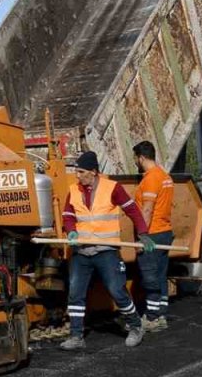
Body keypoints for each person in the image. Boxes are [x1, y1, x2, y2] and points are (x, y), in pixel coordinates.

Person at [59, 151, 155, 351]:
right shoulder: (73, 190)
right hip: (81, 251)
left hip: (106, 251)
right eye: (76, 171)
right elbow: (68, 215)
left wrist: (143, 233)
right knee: (75, 293)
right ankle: (76, 336)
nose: (77, 175)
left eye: (81, 171)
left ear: (93, 172)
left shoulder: (112, 188)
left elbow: (132, 210)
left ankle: (136, 326)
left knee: (117, 291)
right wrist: (71, 231)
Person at [133, 141, 175, 332]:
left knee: (149, 277)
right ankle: (161, 314)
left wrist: (142, 235)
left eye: (135, 158)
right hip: (165, 232)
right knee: (160, 275)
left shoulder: (150, 179)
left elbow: (147, 209)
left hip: (152, 234)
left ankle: (152, 318)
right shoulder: (165, 176)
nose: (135, 162)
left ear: (141, 158)